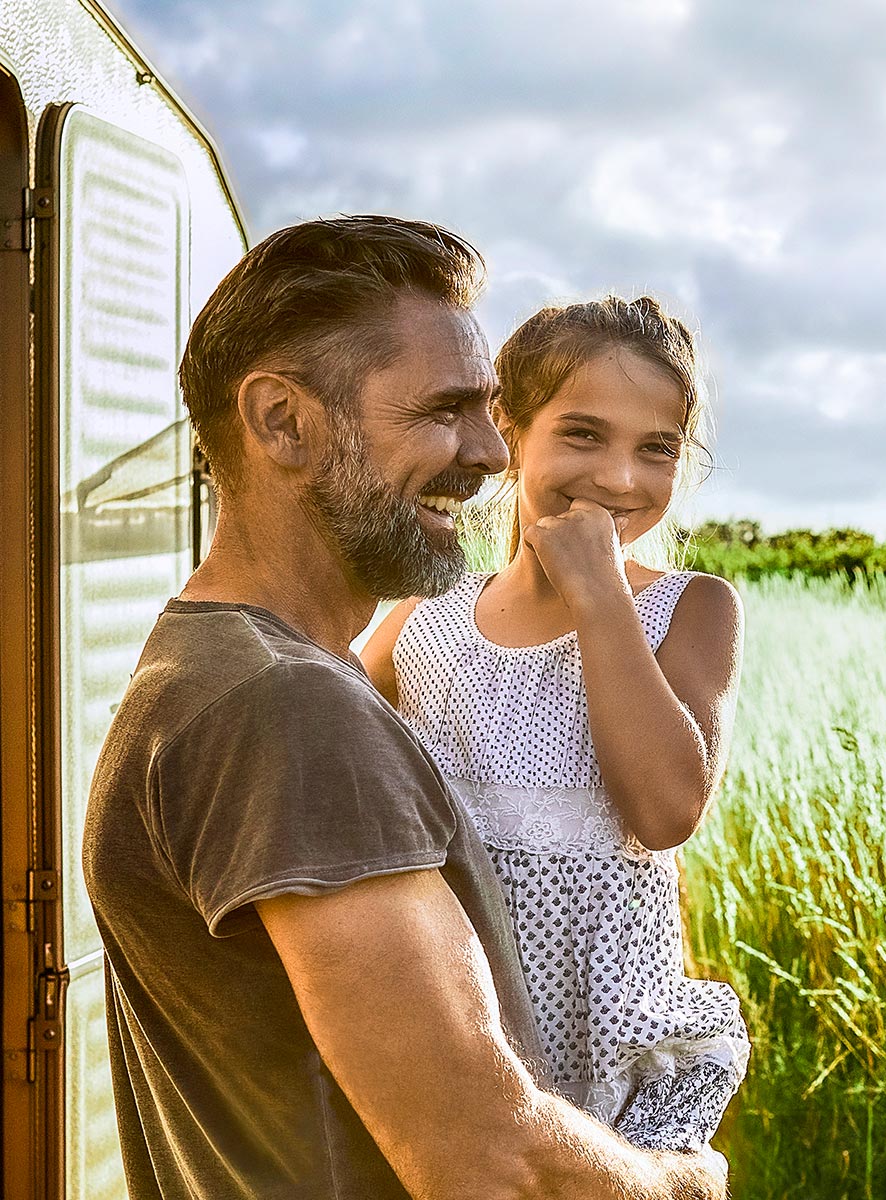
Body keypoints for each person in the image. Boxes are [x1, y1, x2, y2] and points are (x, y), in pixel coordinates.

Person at [83, 217, 727, 1200]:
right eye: (444, 411)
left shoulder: (213, 663)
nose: (487, 451)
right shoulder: (289, 708)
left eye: (488, 410)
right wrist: (688, 1185)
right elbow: (495, 1165)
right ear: (282, 422)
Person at [361, 295, 750, 1155]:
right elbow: (329, 743)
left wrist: (600, 594)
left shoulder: (690, 610)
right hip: (467, 1046)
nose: (619, 478)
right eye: (582, 434)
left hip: (612, 1064)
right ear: (508, 432)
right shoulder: (427, 621)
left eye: (657, 449)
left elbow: (663, 811)